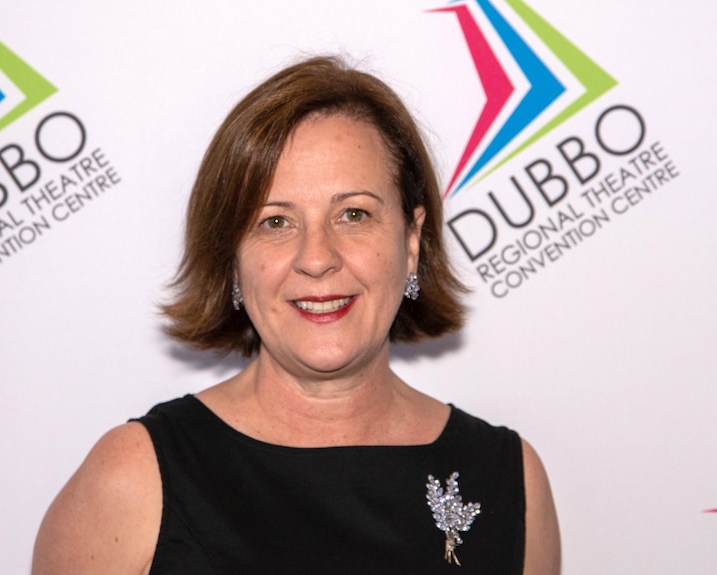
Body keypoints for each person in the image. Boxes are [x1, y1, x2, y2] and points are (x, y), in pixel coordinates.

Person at [32, 55, 561, 574]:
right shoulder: (134, 479)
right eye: (275, 222)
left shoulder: (509, 479)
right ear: (232, 257)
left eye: (354, 214)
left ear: (412, 239)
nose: (316, 258)